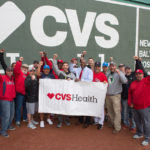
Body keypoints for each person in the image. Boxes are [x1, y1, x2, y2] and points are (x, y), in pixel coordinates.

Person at [52, 54, 76, 128]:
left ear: (68, 67)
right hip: (61, 93)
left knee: (67, 107)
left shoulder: (72, 74)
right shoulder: (60, 73)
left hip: (68, 94)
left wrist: (71, 80)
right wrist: (54, 59)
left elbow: (75, 83)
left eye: (66, 65)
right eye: (64, 65)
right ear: (62, 67)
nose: (65, 66)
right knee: (60, 107)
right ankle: (60, 121)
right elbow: (55, 68)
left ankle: (67, 120)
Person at [128, 69, 150, 146]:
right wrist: (130, 103)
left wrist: (139, 62)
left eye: (140, 74)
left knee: (146, 123)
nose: (138, 75)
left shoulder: (147, 81)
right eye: (137, 74)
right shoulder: (133, 83)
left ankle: (147, 138)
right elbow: (130, 94)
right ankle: (139, 133)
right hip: (135, 107)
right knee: (137, 122)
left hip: (145, 107)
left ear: (143, 74)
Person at [70, 58, 93, 128]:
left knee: (87, 105)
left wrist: (80, 80)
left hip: (86, 90)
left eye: (84, 62)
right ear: (80, 63)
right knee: (80, 104)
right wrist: (72, 63)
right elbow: (71, 69)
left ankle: (87, 121)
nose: (83, 63)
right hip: (79, 90)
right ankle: (80, 120)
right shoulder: (78, 69)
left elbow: (90, 80)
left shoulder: (89, 71)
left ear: (86, 63)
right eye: (82, 62)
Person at [106, 61, 127, 134]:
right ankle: (112, 123)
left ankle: (117, 127)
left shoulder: (119, 73)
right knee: (110, 111)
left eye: (113, 66)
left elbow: (124, 81)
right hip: (108, 95)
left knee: (116, 112)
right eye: (111, 66)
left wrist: (119, 73)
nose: (112, 67)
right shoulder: (107, 73)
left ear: (115, 66)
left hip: (116, 95)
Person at [0, 51, 16, 137]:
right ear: (6, 71)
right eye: (8, 71)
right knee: (6, 115)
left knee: (11, 115)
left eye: (11, 71)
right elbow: (3, 64)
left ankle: (8, 126)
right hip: (4, 100)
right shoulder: (2, 77)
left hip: (11, 100)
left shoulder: (12, 79)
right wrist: (1, 56)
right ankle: (3, 131)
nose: (10, 72)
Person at [37, 61, 55, 128]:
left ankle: (48, 118)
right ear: (43, 70)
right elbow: (38, 74)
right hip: (42, 93)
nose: (46, 70)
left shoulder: (52, 75)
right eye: (45, 69)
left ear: (49, 70)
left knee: (49, 107)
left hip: (49, 94)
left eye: (48, 69)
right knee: (42, 107)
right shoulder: (41, 74)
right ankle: (41, 121)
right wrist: (39, 65)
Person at [14, 57, 28, 127]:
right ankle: (17, 120)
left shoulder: (27, 74)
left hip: (25, 94)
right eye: (23, 67)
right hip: (19, 93)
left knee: (25, 107)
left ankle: (25, 118)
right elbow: (16, 69)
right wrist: (20, 61)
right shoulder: (18, 73)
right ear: (21, 68)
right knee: (19, 107)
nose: (25, 68)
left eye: (26, 68)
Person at [93, 61, 108, 130]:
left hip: (100, 95)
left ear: (100, 67)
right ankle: (96, 121)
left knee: (101, 108)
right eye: (96, 66)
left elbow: (106, 84)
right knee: (94, 108)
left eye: (98, 66)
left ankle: (101, 122)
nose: (97, 68)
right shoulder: (91, 73)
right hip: (93, 94)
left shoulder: (103, 75)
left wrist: (105, 83)